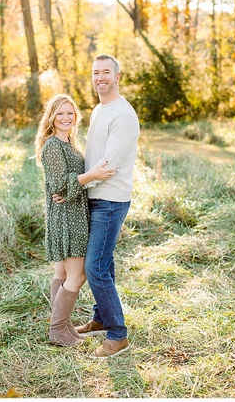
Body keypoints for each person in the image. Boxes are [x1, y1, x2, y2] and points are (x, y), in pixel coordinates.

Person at [69, 55, 140, 359]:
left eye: (106, 72)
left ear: (118, 77)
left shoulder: (123, 115)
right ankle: (101, 317)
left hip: (110, 199)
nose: (100, 77)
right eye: (96, 72)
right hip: (97, 197)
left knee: (94, 267)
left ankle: (117, 335)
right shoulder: (100, 109)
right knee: (104, 262)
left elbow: (109, 165)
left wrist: (75, 184)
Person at [34, 94, 116, 346]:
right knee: (77, 276)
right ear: (51, 118)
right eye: (60, 113)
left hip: (72, 212)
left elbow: (64, 185)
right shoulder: (52, 146)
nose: (66, 118)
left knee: (61, 272)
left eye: (70, 113)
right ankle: (57, 329)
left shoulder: (69, 143)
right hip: (69, 218)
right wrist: (91, 175)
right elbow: (58, 186)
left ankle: (64, 326)